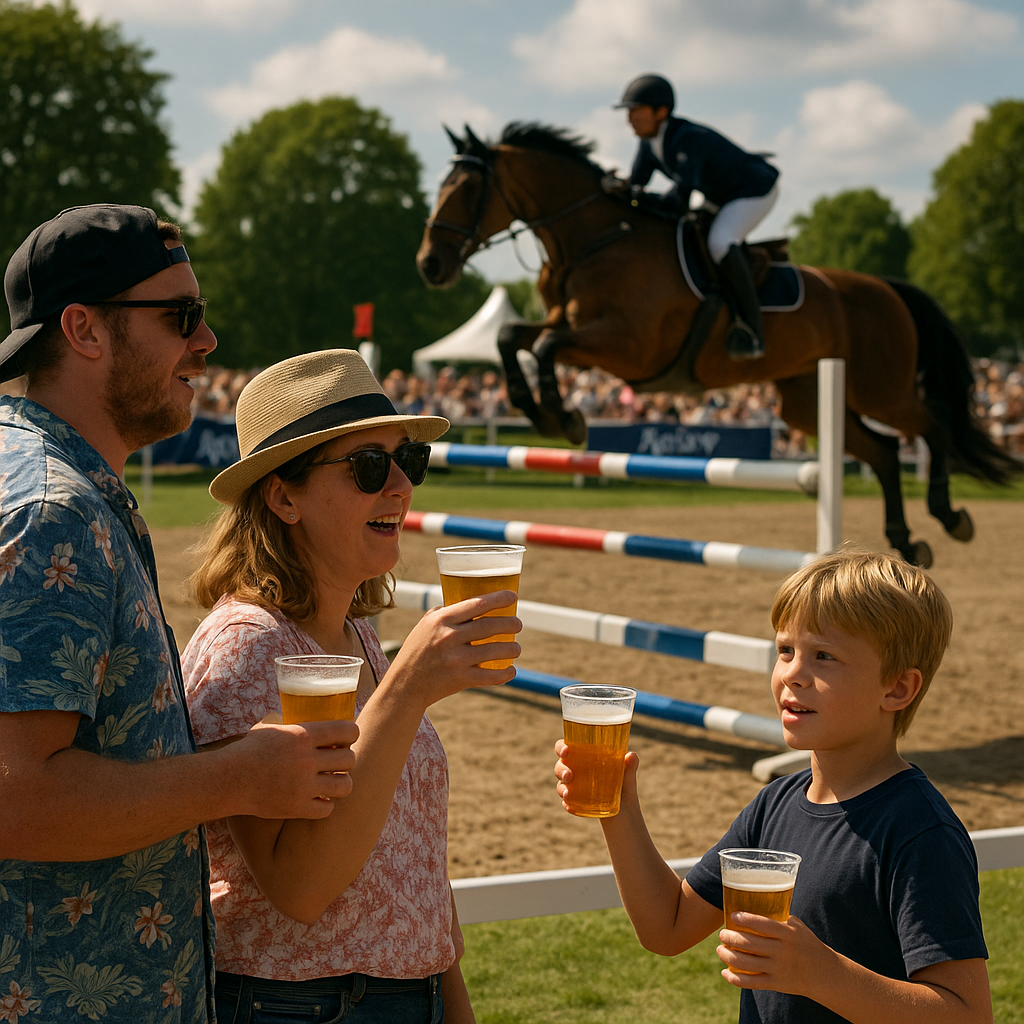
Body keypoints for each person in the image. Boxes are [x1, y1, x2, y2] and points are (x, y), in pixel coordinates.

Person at [0, 205, 359, 1023]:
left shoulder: (45, 477)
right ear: (85, 330)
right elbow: (14, 798)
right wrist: (238, 775)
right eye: (182, 316)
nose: (207, 341)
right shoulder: (52, 506)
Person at [181, 348, 522, 1024]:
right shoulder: (246, 645)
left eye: (407, 461)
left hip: (395, 998)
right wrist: (406, 692)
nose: (401, 485)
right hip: (304, 1006)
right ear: (283, 496)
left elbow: (412, 859)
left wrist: (453, 1004)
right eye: (370, 465)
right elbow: (300, 888)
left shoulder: (355, 632)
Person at [554, 549, 993, 1023]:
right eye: (785, 650)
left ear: (897, 689)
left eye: (823, 656)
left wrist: (821, 972)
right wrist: (617, 807)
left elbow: (967, 1013)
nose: (792, 675)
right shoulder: (775, 804)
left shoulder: (919, 830)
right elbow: (668, 927)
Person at [615, 73, 781, 360]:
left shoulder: (686, 139)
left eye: (636, 111)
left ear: (661, 112)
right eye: (629, 112)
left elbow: (677, 201)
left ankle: (753, 331)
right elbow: (635, 189)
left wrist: (635, 196)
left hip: (753, 191)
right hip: (720, 195)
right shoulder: (648, 143)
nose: (630, 118)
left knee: (720, 241)